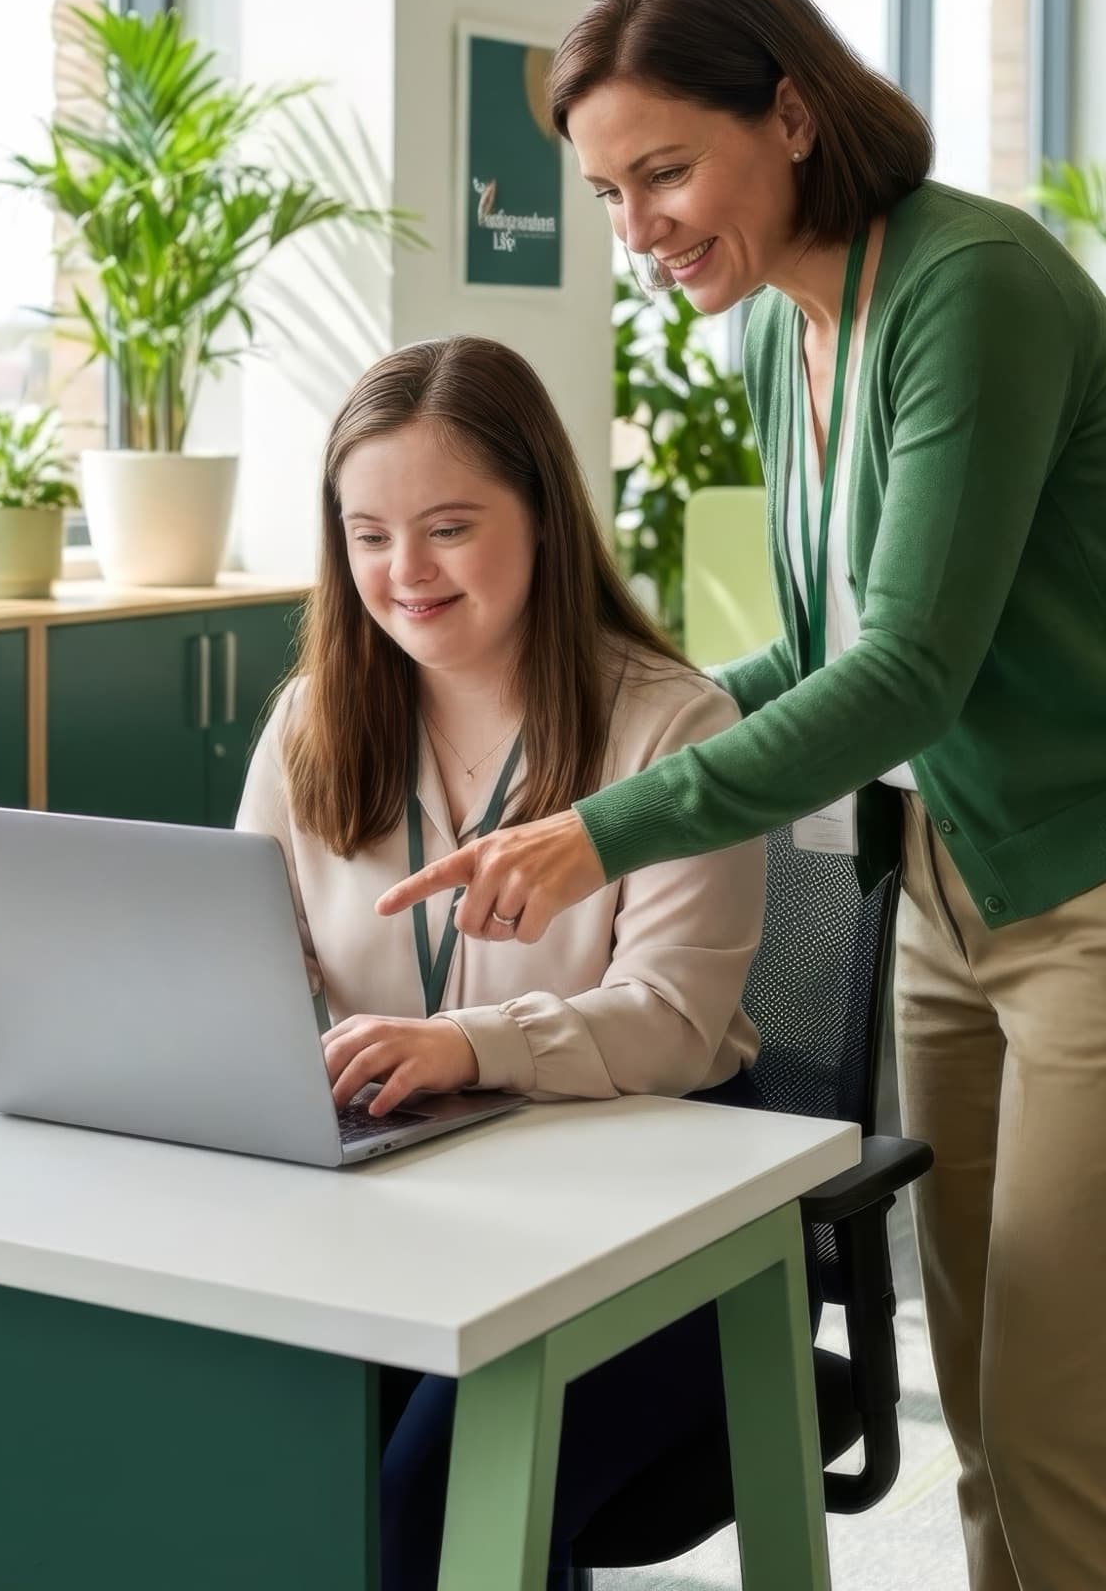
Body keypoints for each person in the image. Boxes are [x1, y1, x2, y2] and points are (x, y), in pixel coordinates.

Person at [378, 0, 1106, 1591]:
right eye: (604, 193)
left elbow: (907, 672)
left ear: (790, 115)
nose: (636, 228)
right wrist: (597, 743)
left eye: (664, 171)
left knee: (1075, 1433)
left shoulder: (968, 287)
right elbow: (812, 645)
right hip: (953, 902)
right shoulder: (796, 325)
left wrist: (604, 829)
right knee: (998, 1426)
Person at [235, 333, 765, 1591]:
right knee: (233, 1429)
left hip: (642, 1231)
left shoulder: (673, 723)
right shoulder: (314, 718)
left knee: (423, 1499)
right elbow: (253, 961)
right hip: (391, 1209)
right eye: (366, 533)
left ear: (542, 514)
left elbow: (675, 1021)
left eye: (448, 527)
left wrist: (468, 1046)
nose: (402, 572)